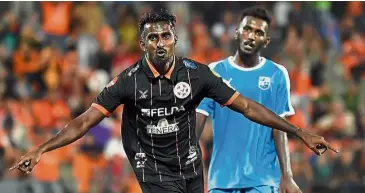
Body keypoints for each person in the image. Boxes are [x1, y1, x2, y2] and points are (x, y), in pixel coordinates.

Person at [10, 10, 337, 193]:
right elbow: (83, 122)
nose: (160, 42)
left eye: (166, 35)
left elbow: (248, 107)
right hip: (152, 168)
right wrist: (41, 149)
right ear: (142, 44)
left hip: (190, 166)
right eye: (153, 37)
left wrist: (299, 132)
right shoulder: (127, 81)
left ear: (175, 39)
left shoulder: (198, 74)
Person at [196, 6, 304, 193]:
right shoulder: (214, 71)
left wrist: (287, 175)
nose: (251, 36)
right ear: (237, 32)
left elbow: (279, 128)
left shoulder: (277, 74)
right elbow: (197, 121)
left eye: (258, 32)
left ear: (266, 40)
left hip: (263, 180)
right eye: (247, 29)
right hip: (222, 180)